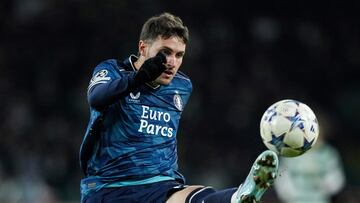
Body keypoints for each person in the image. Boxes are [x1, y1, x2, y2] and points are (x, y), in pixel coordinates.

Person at [79, 12, 279, 203]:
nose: (172, 63)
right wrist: (138, 79)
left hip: (159, 184)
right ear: (143, 48)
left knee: (196, 194)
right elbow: (96, 98)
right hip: (109, 186)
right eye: (164, 53)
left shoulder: (182, 86)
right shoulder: (113, 70)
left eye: (179, 55)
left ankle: (238, 196)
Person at [274, 113, 346, 203]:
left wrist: (325, 187)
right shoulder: (291, 152)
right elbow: (282, 175)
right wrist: (290, 193)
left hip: (319, 199)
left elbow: (336, 177)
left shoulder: (328, 153)